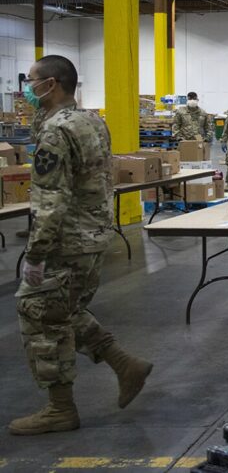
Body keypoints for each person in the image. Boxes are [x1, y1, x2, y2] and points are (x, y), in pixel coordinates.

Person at [9, 55, 152, 436]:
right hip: (92, 236)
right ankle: (124, 363)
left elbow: (50, 200)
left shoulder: (57, 130)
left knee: (39, 314)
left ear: (51, 84)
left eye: (31, 81)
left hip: (65, 243)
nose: (27, 87)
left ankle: (60, 408)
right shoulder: (90, 120)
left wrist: (36, 255)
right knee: (65, 309)